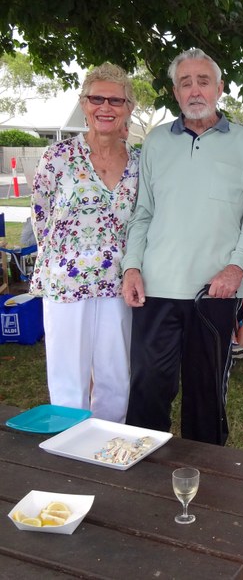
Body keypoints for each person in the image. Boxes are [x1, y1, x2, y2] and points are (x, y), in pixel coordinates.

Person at [122, 47, 243, 445]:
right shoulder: (154, 143)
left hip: (214, 291)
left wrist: (237, 267)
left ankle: (206, 487)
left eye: (203, 81)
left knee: (206, 398)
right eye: (186, 82)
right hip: (156, 288)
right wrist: (132, 267)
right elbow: (142, 212)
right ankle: (142, 478)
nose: (195, 90)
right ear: (175, 91)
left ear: (220, 88)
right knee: (148, 388)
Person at [30, 62, 140, 423]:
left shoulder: (140, 163)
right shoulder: (57, 157)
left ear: (129, 107)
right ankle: (69, 458)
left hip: (118, 284)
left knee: (115, 377)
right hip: (65, 281)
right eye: (97, 98)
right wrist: (59, 260)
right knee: (67, 380)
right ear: (84, 103)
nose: (105, 107)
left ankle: (108, 451)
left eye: (115, 100)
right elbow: (40, 213)